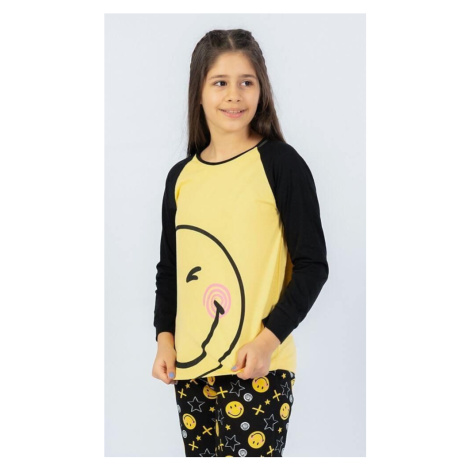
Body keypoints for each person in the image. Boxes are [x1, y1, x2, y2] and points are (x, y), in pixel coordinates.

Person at [151, 29, 329, 457]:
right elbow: (170, 270)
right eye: (220, 82)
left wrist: (267, 342)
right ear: (198, 92)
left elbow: (312, 266)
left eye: (246, 81)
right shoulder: (181, 178)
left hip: (259, 368)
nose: (234, 95)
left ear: (261, 89)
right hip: (191, 371)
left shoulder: (281, 164)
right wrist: (164, 339)